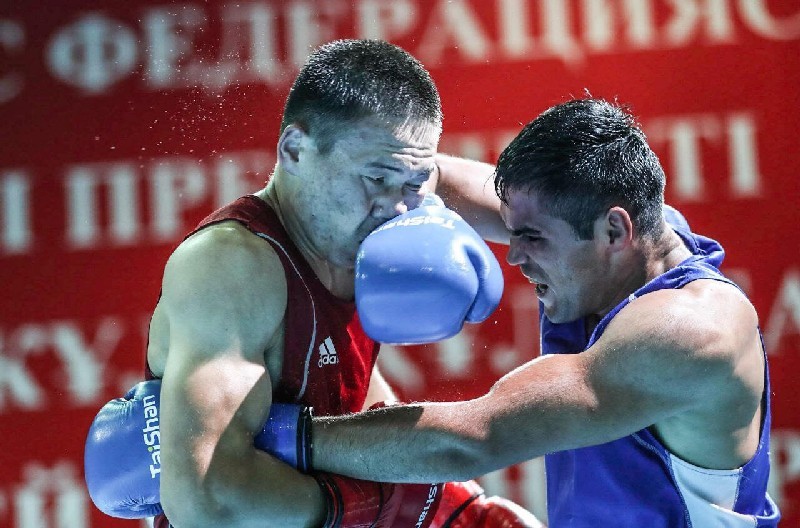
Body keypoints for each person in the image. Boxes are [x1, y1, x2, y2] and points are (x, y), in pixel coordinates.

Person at [84, 38, 544, 528]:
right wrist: (368, 507)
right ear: (294, 150)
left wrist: (447, 503)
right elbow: (208, 501)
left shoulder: (383, 197)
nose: (396, 207)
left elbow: (534, 213)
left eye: (414, 183)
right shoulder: (231, 268)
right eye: (376, 179)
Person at [262, 98, 780, 526]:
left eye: (531, 238)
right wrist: (335, 189)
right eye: (513, 232)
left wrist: (282, 435)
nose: (512, 256)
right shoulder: (621, 236)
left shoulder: (690, 331)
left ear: (614, 232)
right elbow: (435, 175)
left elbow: (475, 440)